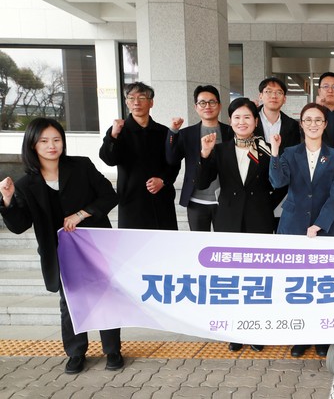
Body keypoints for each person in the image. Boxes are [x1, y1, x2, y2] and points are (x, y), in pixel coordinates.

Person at [0, 118, 123, 374]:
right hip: (59, 252)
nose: (52, 145)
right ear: (33, 145)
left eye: (56, 139)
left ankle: (112, 350)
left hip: (93, 244)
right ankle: (76, 353)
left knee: (105, 295)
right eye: (44, 141)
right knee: (70, 302)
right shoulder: (25, 184)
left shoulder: (81, 166)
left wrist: (81, 214)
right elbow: (20, 225)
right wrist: (8, 200)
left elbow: (109, 195)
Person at [199, 98, 278, 353]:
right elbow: (202, 181)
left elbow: (280, 183)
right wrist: (204, 154)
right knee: (232, 278)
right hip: (229, 220)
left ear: (255, 121)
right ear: (230, 121)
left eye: (247, 117)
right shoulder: (219, 149)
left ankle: (256, 330)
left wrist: (265, 203)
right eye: (237, 117)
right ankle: (235, 330)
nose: (242, 122)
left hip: (259, 219)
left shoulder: (266, 148)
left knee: (258, 278)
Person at [269, 102, 334, 358]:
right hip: (293, 226)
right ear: (301, 124)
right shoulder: (290, 152)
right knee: (298, 284)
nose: (313, 124)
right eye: (308, 120)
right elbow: (278, 181)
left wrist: (319, 224)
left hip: (324, 227)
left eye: (318, 120)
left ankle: (321, 336)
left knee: (323, 284)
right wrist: (275, 152)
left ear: (325, 124)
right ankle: (300, 335)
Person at [99, 81, 180, 230]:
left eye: (142, 98)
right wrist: (113, 136)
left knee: (165, 241)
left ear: (151, 103)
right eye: (131, 98)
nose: (136, 102)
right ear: (126, 102)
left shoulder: (163, 132)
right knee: (133, 242)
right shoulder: (118, 130)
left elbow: (174, 162)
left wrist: (163, 180)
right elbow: (108, 159)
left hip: (160, 199)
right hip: (131, 200)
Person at [165, 85, 232, 231]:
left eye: (212, 102)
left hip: (225, 200)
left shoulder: (230, 132)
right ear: (196, 107)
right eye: (202, 102)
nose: (207, 106)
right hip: (196, 201)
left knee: (224, 242)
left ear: (219, 106)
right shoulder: (187, 134)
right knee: (199, 242)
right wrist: (173, 131)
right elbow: (171, 159)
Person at [257, 76, 302, 231]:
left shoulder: (292, 125)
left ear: (285, 99)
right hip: (254, 190)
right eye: (268, 91)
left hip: (281, 189)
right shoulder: (249, 119)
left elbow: (292, 158)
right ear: (260, 96)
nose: (273, 96)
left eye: (279, 92)